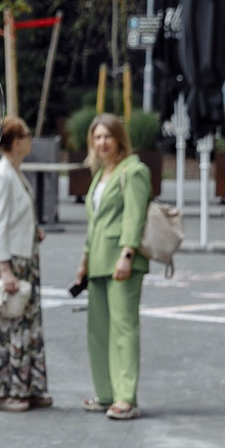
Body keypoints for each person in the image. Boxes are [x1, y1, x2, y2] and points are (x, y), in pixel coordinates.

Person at [78, 112, 150, 420]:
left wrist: (127, 253)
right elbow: (94, 223)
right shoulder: (101, 174)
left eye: (107, 136)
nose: (102, 142)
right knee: (98, 330)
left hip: (122, 261)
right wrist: (84, 261)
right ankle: (106, 393)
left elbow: (135, 215)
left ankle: (125, 397)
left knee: (123, 328)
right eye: (97, 137)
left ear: (120, 138)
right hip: (98, 261)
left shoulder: (133, 171)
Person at [0, 117, 50, 411]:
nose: (30, 139)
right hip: (10, 261)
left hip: (24, 258)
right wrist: (4, 270)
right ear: (15, 141)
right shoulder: (2, 176)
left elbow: (15, 216)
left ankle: (27, 385)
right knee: (7, 327)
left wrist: (32, 230)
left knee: (25, 326)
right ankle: (4, 390)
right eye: (26, 134)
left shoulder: (14, 172)